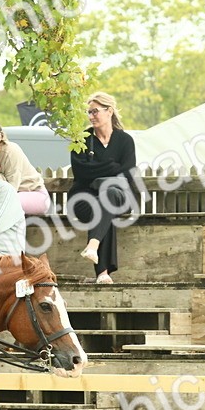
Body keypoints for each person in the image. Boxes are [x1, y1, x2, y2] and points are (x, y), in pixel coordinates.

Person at [68, 91, 137, 284]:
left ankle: (94, 248)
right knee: (105, 207)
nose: (91, 116)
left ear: (109, 111)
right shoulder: (81, 140)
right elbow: (81, 172)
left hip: (119, 195)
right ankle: (103, 274)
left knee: (110, 196)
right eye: (89, 112)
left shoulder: (125, 141)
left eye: (95, 111)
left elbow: (128, 174)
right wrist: (112, 166)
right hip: (83, 199)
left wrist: (98, 171)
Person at [0, 117, 52, 215]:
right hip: (0, 198)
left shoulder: (10, 151)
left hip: (34, 195)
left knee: (1, 204)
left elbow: (10, 191)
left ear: (0, 136)